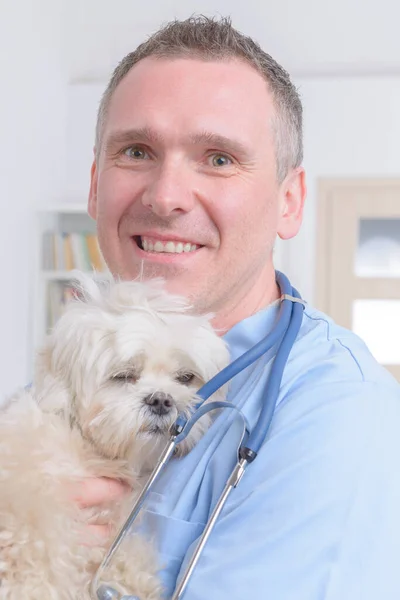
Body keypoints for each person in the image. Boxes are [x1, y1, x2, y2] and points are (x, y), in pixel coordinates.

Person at [74, 15, 400, 599]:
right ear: (96, 185)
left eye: (219, 158)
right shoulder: (78, 373)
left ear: (290, 201)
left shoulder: (337, 410)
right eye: (137, 150)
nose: (166, 196)